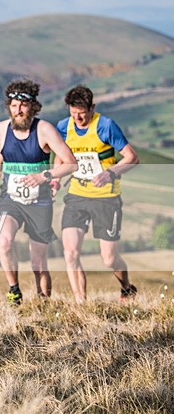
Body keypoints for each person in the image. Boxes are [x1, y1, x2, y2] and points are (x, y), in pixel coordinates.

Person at [0, 79, 76, 304]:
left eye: (23, 106)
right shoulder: (0, 128)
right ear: (9, 107)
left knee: (38, 263)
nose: (18, 110)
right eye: (14, 105)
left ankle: (43, 304)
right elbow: (2, 150)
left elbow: (71, 164)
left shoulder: (44, 130)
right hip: (10, 199)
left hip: (39, 202)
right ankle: (14, 291)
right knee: (4, 241)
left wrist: (43, 176)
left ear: (33, 107)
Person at [55, 85, 139, 303]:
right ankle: (81, 304)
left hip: (106, 198)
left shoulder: (106, 126)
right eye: (73, 113)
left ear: (92, 107)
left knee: (109, 259)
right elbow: (60, 155)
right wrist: (56, 178)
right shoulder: (64, 127)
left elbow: (131, 157)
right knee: (70, 252)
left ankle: (127, 288)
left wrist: (110, 173)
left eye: (82, 113)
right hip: (77, 196)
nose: (78, 118)